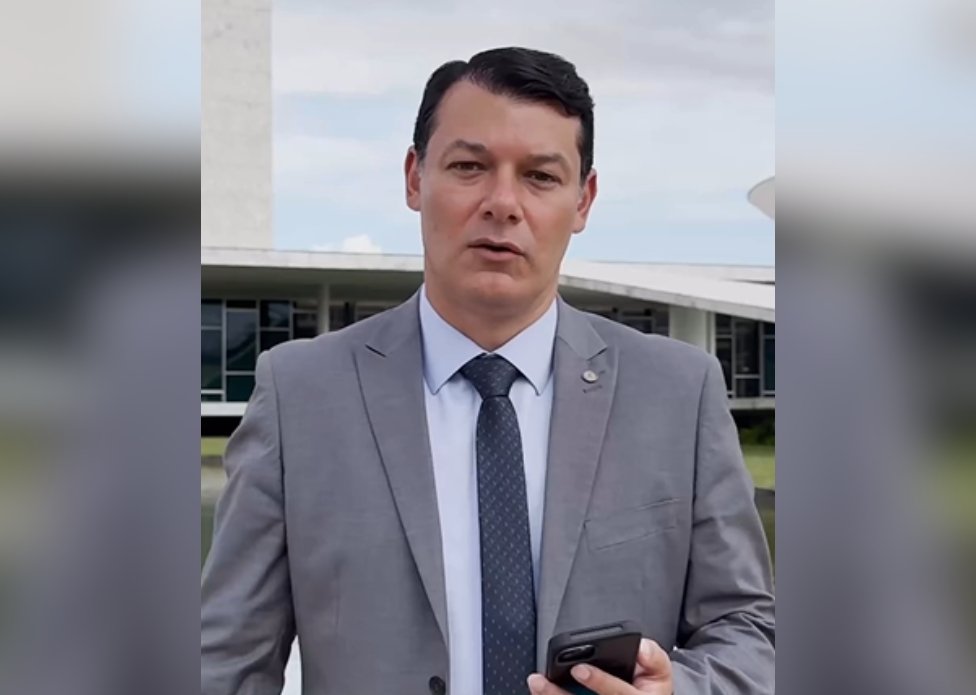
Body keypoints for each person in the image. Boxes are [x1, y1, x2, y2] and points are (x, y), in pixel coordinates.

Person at [201, 46, 775, 695]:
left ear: (583, 201)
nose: (503, 203)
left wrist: (681, 689)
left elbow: (750, 631)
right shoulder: (300, 395)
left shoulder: (677, 393)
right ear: (415, 177)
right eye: (469, 167)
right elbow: (227, 660)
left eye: (540, 176)